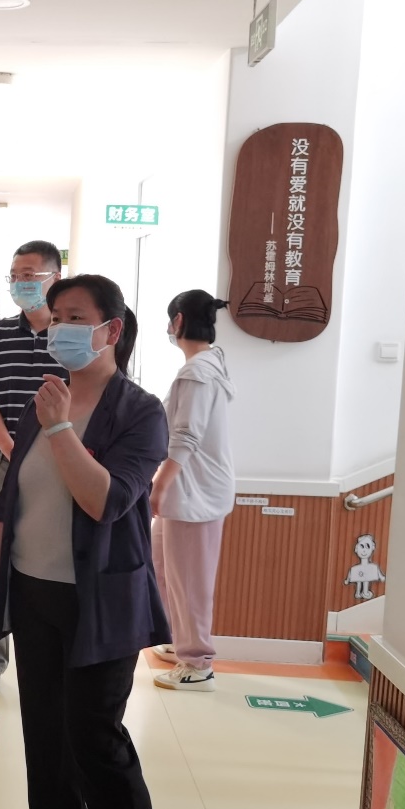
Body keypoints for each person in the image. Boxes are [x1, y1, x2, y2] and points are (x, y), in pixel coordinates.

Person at [0, 273, 174, 809]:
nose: (59, 327)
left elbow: (105, 501)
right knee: (44, 726)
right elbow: (13, 499)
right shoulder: (46, 396)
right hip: (33, 589)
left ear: (111, 330)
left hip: (102, 601)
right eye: (55, 315)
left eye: (75, 317)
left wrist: (61, 428)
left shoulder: (139, 412)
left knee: (95, 737)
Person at [0, 241, 68, 698]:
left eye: (29, 275)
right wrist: (12, 448)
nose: (20, 283)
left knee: (48, 554)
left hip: (61, 464)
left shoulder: (71, 336)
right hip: (5, 460)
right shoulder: (0, 335)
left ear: (54, 278)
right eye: (14, 276)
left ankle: (50, 653)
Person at [150, 290, 236, 693]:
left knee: (190, 580)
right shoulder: (207, 365)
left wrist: (159, 484)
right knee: (166, 569)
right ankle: (182, 641)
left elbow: (186, 435)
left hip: (193, 494)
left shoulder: (197, 373)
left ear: (179, 321)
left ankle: (198, 663)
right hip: (191, 492)